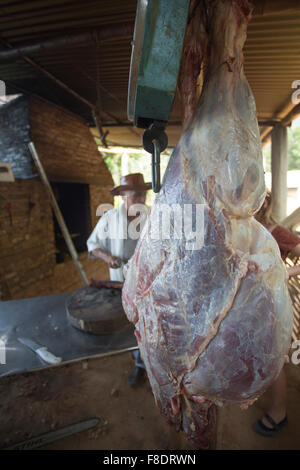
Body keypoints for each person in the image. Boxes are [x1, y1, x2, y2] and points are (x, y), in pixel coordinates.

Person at [87, 173, 151, 386]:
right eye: (136, 196)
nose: (141, 200)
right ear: (123, 195)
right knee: (131, 327)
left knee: (150, 325)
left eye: (143, 195)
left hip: (149, 284)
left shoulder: (152, 217)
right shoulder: (110, 219)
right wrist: (108, 257)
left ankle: (152, 366)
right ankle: (139, 366)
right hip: (122, 283)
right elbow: (93, 245)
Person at [253, 191, 300, 437]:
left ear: (266, 203)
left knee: (275, 361)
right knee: (261, 354)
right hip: (252, 305)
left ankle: (279, 412)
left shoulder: (276, 232)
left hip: (272, 304)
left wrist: (283, 273)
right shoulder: (246, 231)